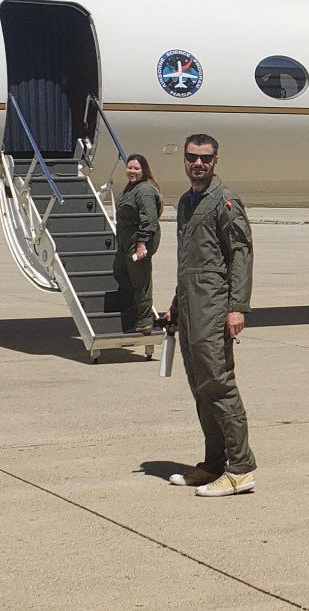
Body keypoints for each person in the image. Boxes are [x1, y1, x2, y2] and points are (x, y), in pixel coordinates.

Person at [160, 133, 259, 497]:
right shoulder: (186, 202)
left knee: (218, 383)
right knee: (201, 387)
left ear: (216, 160)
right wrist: (174, 305)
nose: (197, 163)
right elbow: (187, 261)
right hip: (190, 305)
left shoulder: (225, 201)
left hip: (215, 305)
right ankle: (215, 462)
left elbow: (241, 255)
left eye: (204, 158)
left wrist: (237, 307)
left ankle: (240, 467)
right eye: (191, 157)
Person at [113, 154, 162, 334]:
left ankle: (145, 320)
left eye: (136, 169)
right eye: (129, 168)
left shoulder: (144, 191)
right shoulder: (130, 189)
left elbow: (149, 219)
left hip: (137, 241)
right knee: (119, 272)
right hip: (126, 241)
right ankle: (133, 312)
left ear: (144, 170)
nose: (132, 171)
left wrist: (142, 243)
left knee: (141, 281)